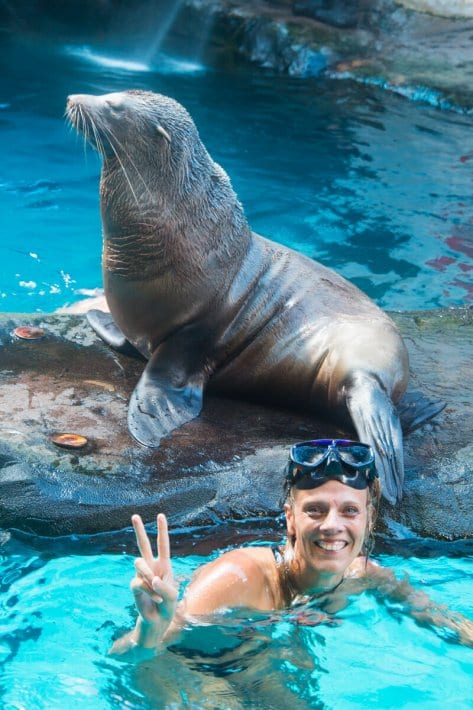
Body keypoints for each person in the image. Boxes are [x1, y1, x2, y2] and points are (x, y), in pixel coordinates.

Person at [110, 439, 473, 656]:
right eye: (315, 510)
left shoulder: (365, 575)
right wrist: (149, 630)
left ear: (368, 518)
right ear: (290, 518)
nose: (333, 525)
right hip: (192, 669)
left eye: (349, 510)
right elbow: (133, 661)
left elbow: (443, 620)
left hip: (260, 661)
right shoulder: (236, 578)